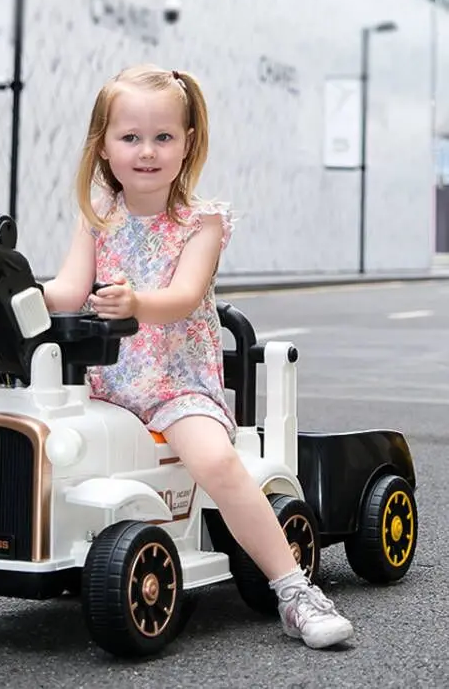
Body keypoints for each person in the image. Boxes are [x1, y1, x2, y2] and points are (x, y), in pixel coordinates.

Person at [43, 63, 354, 650]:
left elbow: (183, 297)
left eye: (163, 137)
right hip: (102, 384)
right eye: (130, 137)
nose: (147, 151)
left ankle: (293, 590)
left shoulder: (201, 223)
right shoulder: (97, 221)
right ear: (104, 147)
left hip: (174, 385)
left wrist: (135, 301)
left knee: (216, 463)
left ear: (188, 145)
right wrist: (16, 294)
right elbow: (65, 289)